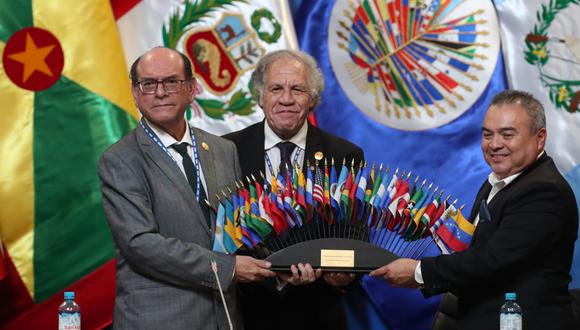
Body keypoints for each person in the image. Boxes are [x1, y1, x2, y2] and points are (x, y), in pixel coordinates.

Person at [98, 47, 275, 330]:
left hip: (225, 317)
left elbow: (240, 229)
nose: (160, 92)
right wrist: (228, 269)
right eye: (148, 84)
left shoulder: (222, 149)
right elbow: (140, 244)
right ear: (134, 92)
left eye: (171, 81)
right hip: (159, 320)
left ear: (192, 88)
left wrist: (279, 269)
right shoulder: (120, 159)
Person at [370, 90, 579, 329]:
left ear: (539, 138)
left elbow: (492, 260)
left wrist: (419, 271)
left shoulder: (544, 191)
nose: (495, 144)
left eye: (507, 134)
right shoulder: (498, 181)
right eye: (487, 135)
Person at [223, 49, 364, 330]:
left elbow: (355, 235)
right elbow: (218, 234)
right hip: (249, 314)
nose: (286, 99)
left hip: (319, 314)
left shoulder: (344, 155)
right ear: (261, 97)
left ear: (312, 100)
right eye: (276, 88)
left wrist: (341, 275)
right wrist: (271, 276)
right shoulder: (226, 151)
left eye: (297, 89)